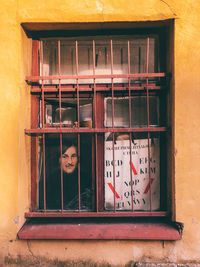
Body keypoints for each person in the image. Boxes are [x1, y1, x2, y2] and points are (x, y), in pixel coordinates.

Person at [39, 142, 92, 211]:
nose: (69, 162)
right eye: (64, 157)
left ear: (78, 159)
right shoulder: (48, 181)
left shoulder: (86, 179)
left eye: (73, 156)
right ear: (58, 159)